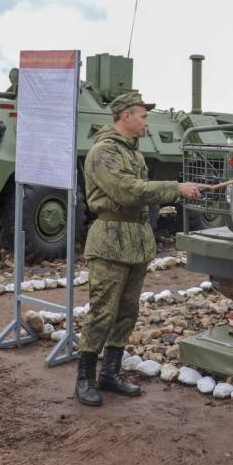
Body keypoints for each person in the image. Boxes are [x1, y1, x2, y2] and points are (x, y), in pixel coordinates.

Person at [75, 90, 207, 406]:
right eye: (143, 115)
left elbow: (141, 193)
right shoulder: (104, 152)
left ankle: (110, 373)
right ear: (126, 116)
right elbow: (127, 190)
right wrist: (174, 187)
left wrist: (178, 192)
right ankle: (84, 378)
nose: (147, 120)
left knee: (127, 311)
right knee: (103, 311)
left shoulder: (132, 152)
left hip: (135, 240)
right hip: (109, 242)